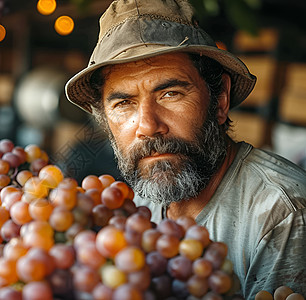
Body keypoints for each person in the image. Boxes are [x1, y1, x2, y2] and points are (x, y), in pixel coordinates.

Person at [64, 0, 306, 298]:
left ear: (219, 101)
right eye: (124, 103)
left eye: (170, 93)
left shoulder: (282, 213)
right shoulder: (140, 200)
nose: (148, 126)